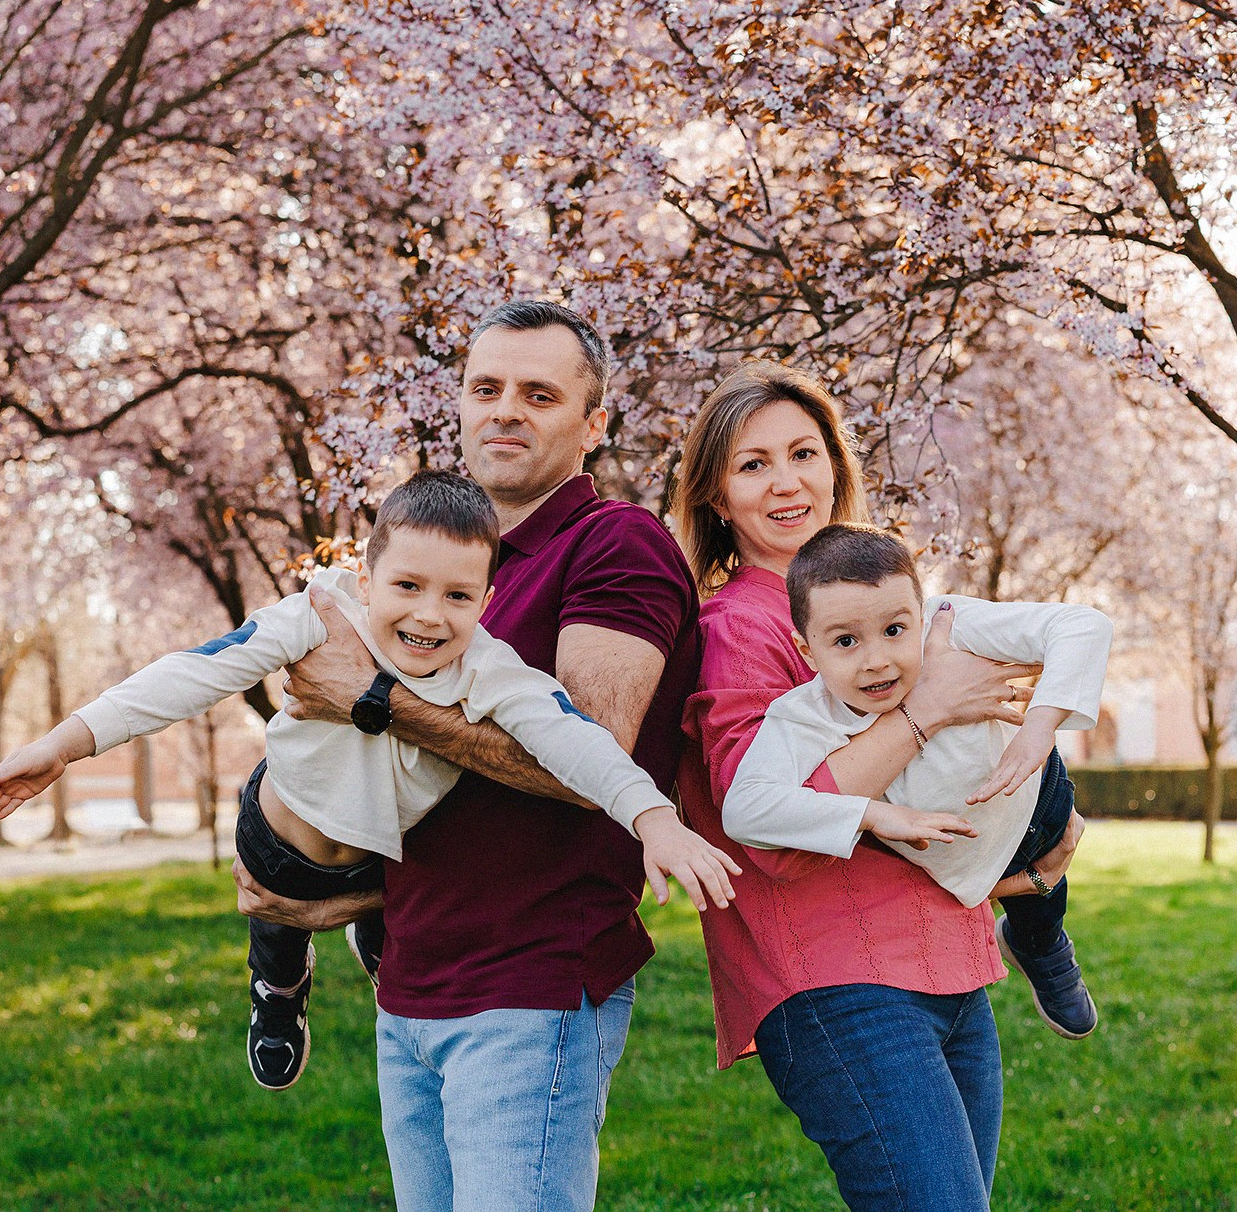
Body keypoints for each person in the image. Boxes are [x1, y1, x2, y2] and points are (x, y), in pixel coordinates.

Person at [0, 471, 735, 1095]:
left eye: (457, 596)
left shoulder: (489, 668)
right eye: (407, 586)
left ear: (485, 601)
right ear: (365, 579)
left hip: (381, 857)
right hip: (280, 841)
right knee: (278, 924)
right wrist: (62, 746)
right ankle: (279, 985)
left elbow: (578, 742)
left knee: (397, 897)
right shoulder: (322, 617)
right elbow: (195, 673)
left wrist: (652, 819)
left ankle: (369, 927)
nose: (428, 615)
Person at [231, 301, 733, 1212]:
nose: (505, 410)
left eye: (539, 394)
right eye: (486, 388)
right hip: (413, 981)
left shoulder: (613, 542)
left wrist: (373, 700)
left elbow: (590, 756)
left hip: (529, 983)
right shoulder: (446, 560)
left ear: (593, 424)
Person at [673, 360, 1086, 1212]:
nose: (786, 482)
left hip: (952, 964)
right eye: (753, 465)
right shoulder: (737, 628)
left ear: (835, 463)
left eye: (803, 453)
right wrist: (927, 712)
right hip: (839, 982)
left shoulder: (890, 598)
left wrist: (1037, 836)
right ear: (717, 496)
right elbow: (768, 832)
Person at [722, 521, 1110, 1038]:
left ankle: (1042, 948)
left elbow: (1083, 626)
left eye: (894, 630)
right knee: (1035, 890)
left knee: (1043, 913)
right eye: (845, 641)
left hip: (1040, 799)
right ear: (807, 651)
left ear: (920, 615)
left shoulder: (950, 624)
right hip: (970, 863)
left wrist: (1039, 728)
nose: (877, 660)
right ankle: (1032, 933)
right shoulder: (804, 716)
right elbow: (744, 808)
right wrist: (872, 814)